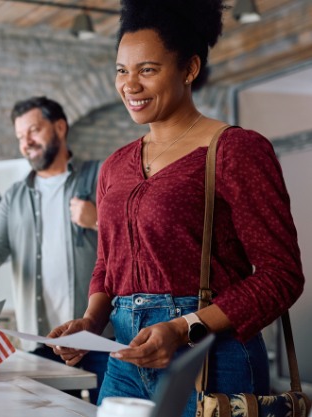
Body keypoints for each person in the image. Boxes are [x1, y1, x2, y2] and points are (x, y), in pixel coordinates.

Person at [48, 1, 305, 415]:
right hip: (125, 359)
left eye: (147, 69)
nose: (130, 84)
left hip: (212, 360)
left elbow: (282, 276)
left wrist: (183, 327)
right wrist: (92, 321)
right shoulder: (115, 165)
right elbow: (108, 263)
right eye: (121, 70)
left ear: (189, 69)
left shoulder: (235, 150)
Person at [0, 96, 107, 403]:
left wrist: (97, 219)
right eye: (20, 137)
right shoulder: (15, 194)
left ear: (59, 127)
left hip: (98, 335)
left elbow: (132, 237)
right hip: (42, 340)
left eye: (33, 131)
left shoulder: (100, 175)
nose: (26, 142)